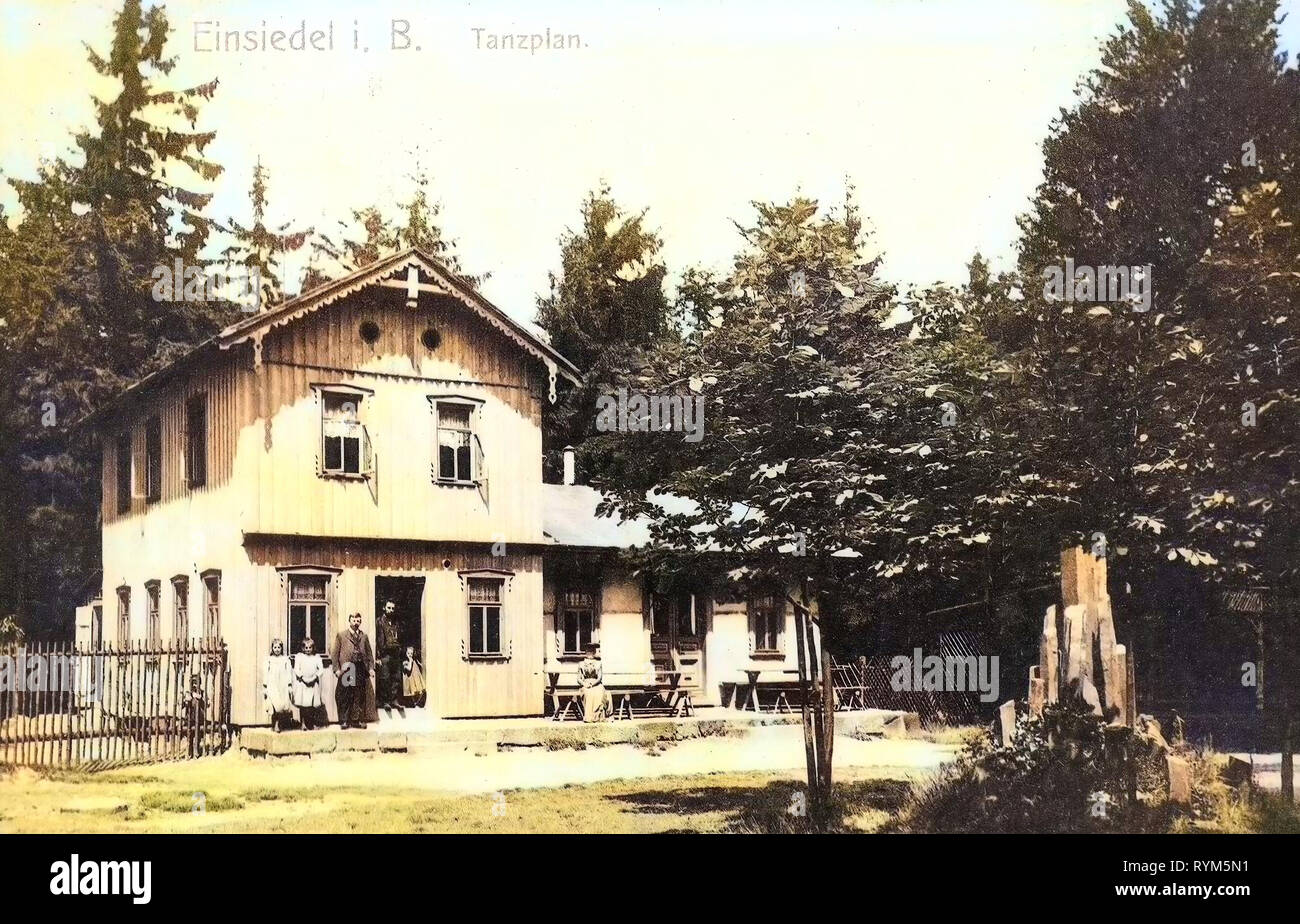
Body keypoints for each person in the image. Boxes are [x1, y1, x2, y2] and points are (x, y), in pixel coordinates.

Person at [330, 612, 376, 729]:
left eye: (358, 621)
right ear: (349, 621)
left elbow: (369, 654)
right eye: (354, 620)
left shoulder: (364, 636)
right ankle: (344, 720)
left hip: (360, 668)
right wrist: (336, 669)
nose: (356, 622)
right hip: (347, 668)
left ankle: (358, 720)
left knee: (359, 695)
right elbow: (335, 654)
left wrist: (370, 668)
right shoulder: (341, 635)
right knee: (345, 694)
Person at [292, 636, 326, 730]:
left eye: (310, 647)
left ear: (313, 648)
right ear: (303, 648)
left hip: (313, 683)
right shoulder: (299, 656)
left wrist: (314, 677)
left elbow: (321, 669)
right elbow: (296, 669)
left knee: (312, 705)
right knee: (303, 704)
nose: (308, 650)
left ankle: (312, 723)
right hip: (302, 683)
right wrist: (303, 678)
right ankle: (303, 724)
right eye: (306, 648)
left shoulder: (316, 657)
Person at [263, 639, 294, 732]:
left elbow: (289, 672)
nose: (277, 649)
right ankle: (275, 724)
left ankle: (279, 724)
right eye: (275, 647)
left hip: (282, 684)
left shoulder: (285, 659)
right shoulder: (269, 659)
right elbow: (266, 672)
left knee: (281, 704)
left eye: (279, 647)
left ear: (281, 648)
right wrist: (265, 685)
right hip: (272, 684)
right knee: (273, 703)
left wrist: (289, 684)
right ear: (272, 648)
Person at [576, 643, 612, 723]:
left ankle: (598, 716)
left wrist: (593, 684)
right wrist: (584, 684)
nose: (590, 654)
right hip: (586, 684)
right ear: (585, 652)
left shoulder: (598, 663)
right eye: (588, 651)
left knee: (599, 693)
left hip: (596, 684)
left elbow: (599, 678)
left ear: (594, 652)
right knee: (589, 694)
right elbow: (578, 678)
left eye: (592, 651)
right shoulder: (581, 664)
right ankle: (589, 717)